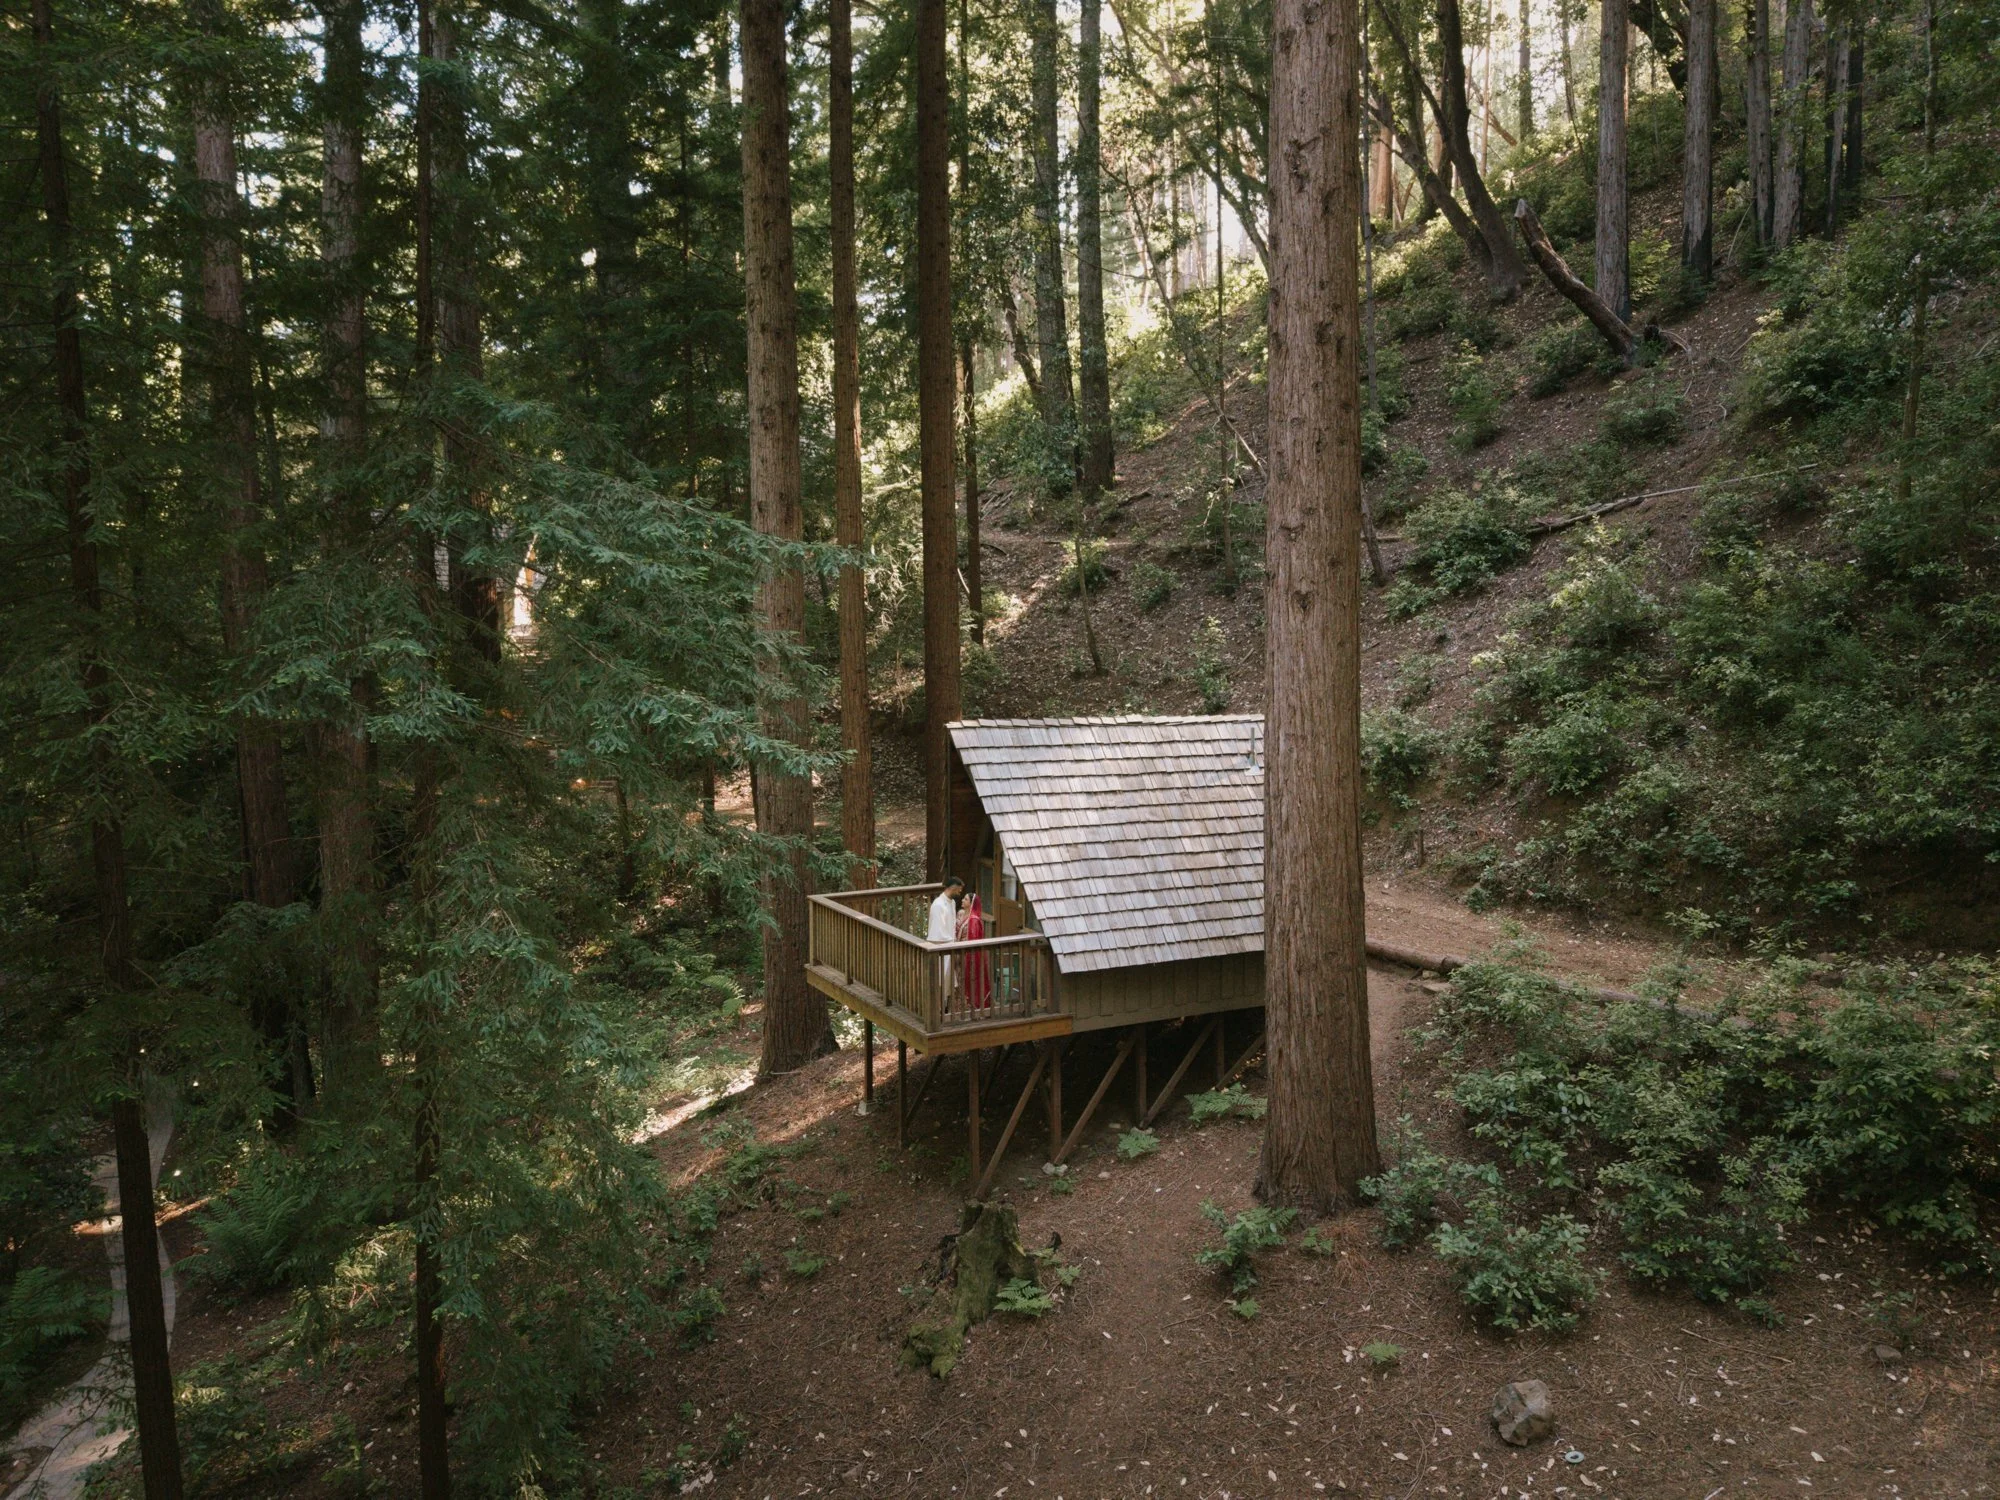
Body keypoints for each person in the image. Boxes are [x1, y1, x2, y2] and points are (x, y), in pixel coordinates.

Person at [928, 876, 965, 1006]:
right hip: (941, 946)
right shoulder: (938, 905)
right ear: (953, 888)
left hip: (950, 944)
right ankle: (938, 1007)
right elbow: (937, 931)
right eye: (959, 890)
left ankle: (945, 1008)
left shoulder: (952, 903)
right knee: (941, 979)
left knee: (948, 981)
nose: (959, 893)